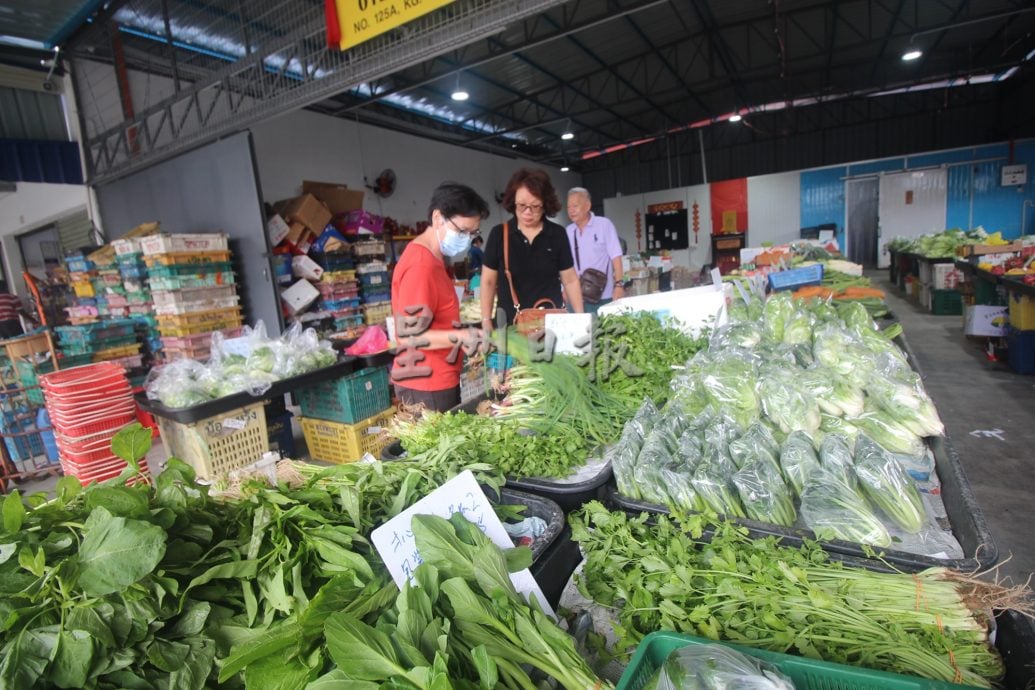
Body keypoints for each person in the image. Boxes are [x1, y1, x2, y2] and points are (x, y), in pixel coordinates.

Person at [391, 182, 490, 412]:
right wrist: (461, 337)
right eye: (462, 231)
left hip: (438, 377)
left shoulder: (435, 260)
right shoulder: (421, 266)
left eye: (473, 232)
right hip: (426, 384)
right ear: (438, 218)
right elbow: (409, 335)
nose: (467, 239)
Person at [480, 168, 584, 328]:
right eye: (521, 205)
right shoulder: (499, 234)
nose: (527, 212)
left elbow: (569, 280)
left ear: (545, 205)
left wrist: (580, 319)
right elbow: (488, 281)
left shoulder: (557, 234)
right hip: (510, 325)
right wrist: (486, 321)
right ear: (513, 202)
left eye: (535, 206)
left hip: (551, 324)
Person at [564, 187, 625, 312]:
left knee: (601, 330)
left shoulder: (604, 225)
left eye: (575, 206)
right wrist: (563, 288)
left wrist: (619, 285)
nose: (571, 211)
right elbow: (565, 265)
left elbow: (616, 256)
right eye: (568, 207)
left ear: (587, 206)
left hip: (602, 296)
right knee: (578, 331)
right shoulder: (568, 231)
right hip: (575, 297)